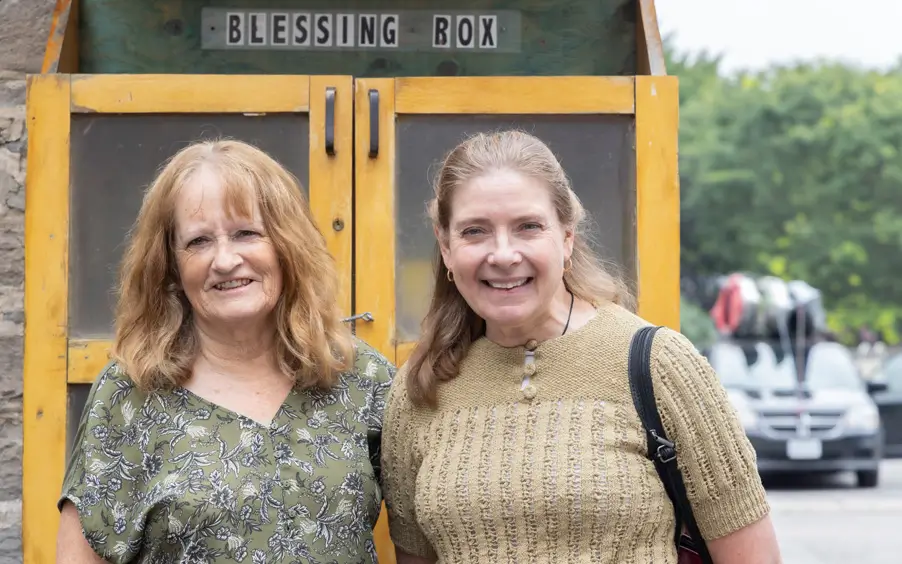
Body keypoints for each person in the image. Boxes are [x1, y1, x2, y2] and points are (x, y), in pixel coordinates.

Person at [380, 131, 782, 563]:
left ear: (567, 236)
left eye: (527, 227)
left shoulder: (659, 364)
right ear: (445, 247)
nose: (502, 254)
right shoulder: (421, 387)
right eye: (475, 231)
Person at [56, 140, 394, 563]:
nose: (225, 259)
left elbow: (424, 538)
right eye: (198, 242)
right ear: (171, 266)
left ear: (287, 246)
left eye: (246, 233)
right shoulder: (131, 391)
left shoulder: (362, 378)